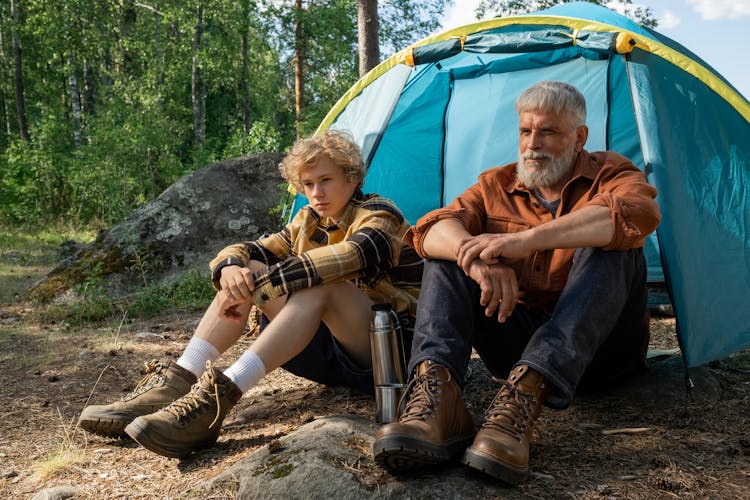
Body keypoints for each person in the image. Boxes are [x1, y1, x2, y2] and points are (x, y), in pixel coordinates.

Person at [372, 81, 661, 484]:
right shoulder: (496, 185)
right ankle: (437, 401)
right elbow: (429, 229)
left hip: (603, 354)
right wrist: (477, 262)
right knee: (451, 253)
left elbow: (637, 213)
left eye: (548, 132)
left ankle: (522, 399)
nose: (532, 144)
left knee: (613, 244)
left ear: (580, 138)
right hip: (516, 344)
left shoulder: (612, 173)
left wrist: (523, 241)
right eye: (526, 131)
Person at [78, 130, 422, 458]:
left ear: (351, 177)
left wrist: (274, 280)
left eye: (326, 180)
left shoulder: (380, 214)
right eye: (308, 184)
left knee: (322, 281)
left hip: (390, 355)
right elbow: (251, 249)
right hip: (331, 353)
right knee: (249, 271)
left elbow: (353, 255)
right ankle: (178, 380)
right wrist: (229, 268)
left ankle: (217, 399)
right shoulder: (307, 221)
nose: (317, 192)